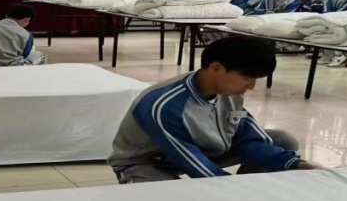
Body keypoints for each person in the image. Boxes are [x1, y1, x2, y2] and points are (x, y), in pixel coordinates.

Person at [107, 37, 318, 183]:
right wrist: (226, 188)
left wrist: (301, 166)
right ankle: (241, 191)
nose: (251, 87)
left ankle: (250, 185)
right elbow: (190, 161)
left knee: (281, 140)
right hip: (151, 161)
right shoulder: (163, 105)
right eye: (247, 78)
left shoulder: (230, 91)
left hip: (203, 149)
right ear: (216, 68)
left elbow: (249, 137)